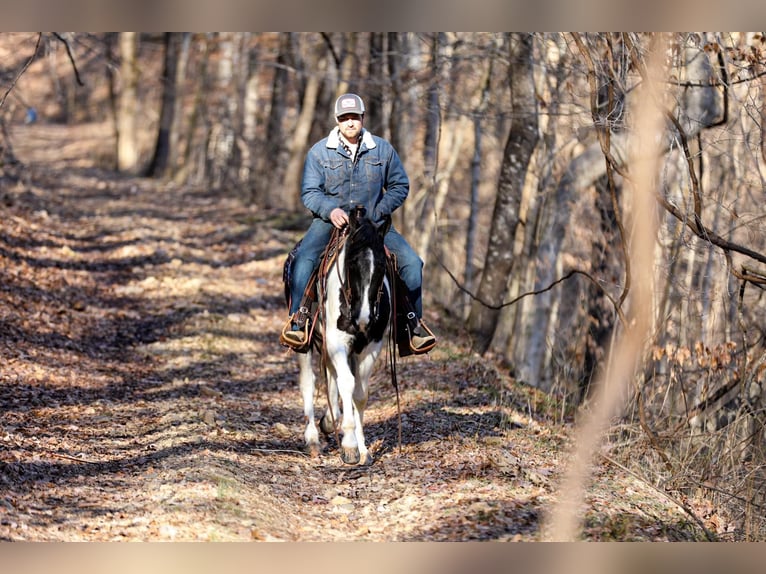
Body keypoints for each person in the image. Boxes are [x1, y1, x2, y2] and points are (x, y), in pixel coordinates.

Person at [281, 93, 436, 354]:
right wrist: (330, 211)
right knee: (304, 259)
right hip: (330, 223)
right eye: (344, 118)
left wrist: (378, 213)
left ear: (363, 118)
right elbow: (309, 192)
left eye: (354, 117)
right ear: (337, 120)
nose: (350, 122)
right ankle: (299, 320)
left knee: (411, 262)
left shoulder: (383, 150)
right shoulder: (319, 151)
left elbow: (400, 185)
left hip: (374, 224)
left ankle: (410, 326)